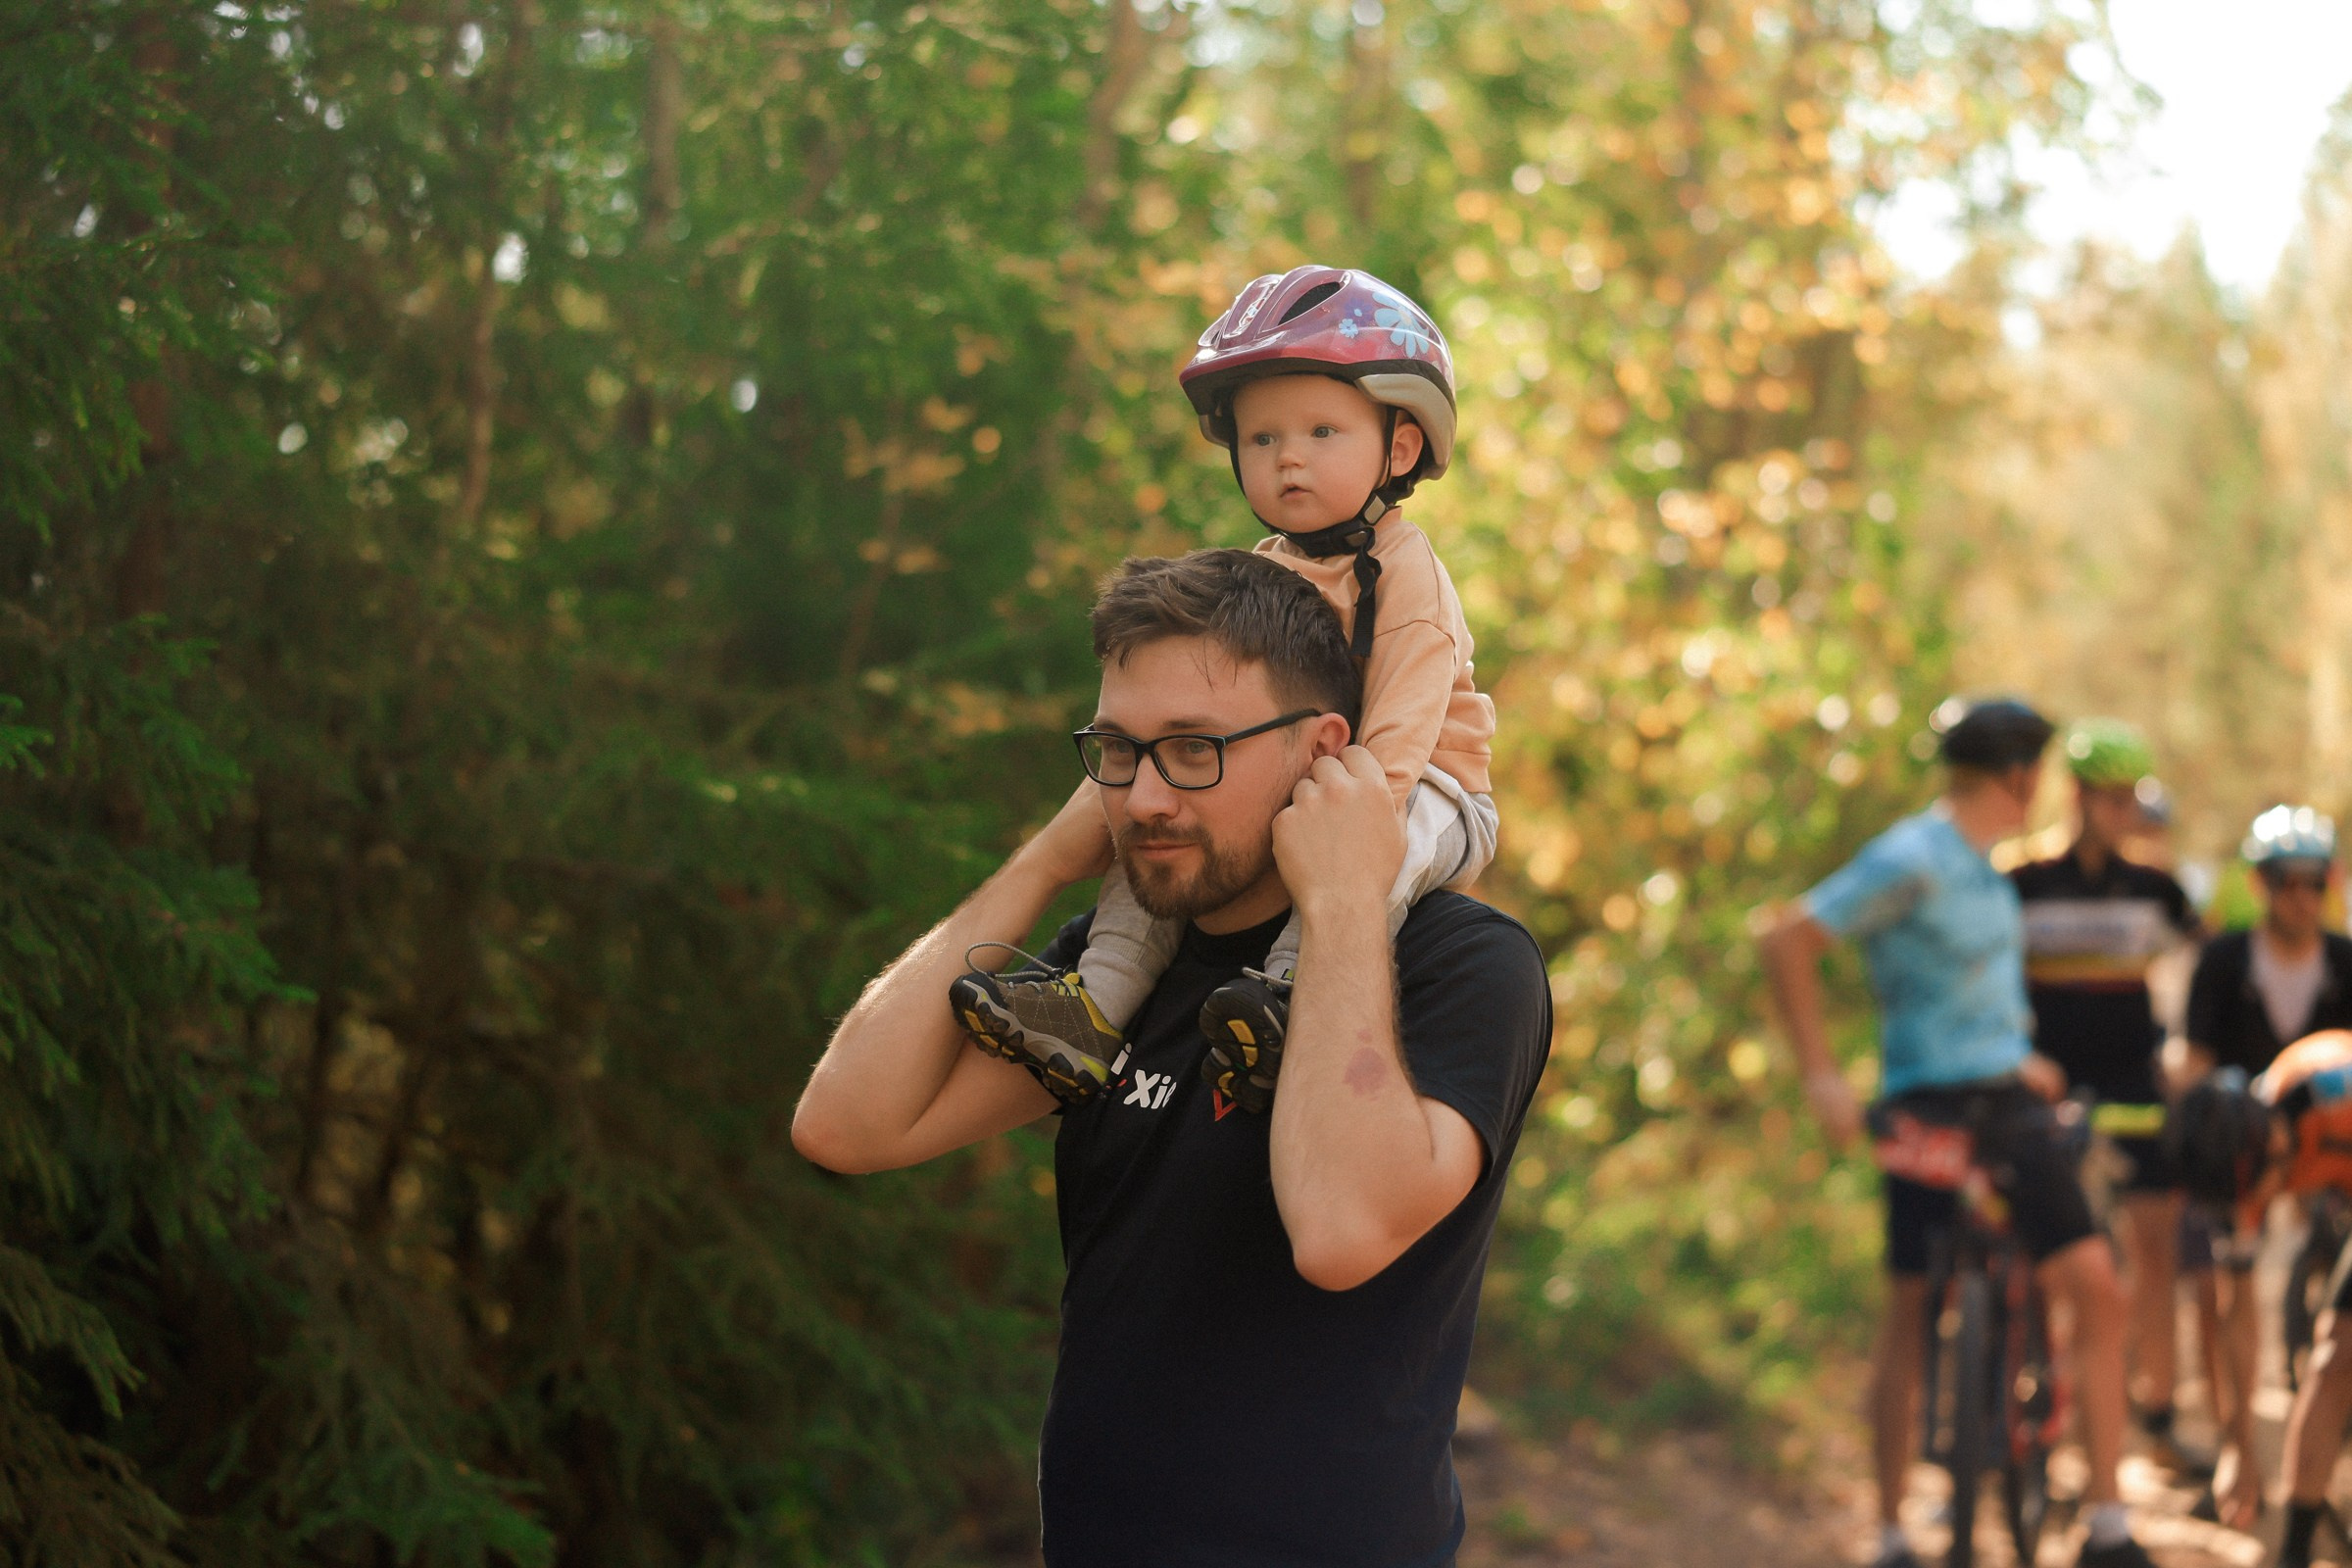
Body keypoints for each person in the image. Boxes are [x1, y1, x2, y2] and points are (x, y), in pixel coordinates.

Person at [792, 549, 1551, 1564]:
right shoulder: (1122, 973)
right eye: (1118, 748)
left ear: (1325, 751)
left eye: (1194, 749)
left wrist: (1340, 901)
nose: (1145, 797)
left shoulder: (1466, 966)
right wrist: (1048, 857)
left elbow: (1340, 1231)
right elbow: (846, 1125)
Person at [950, 266, 1498, 1114]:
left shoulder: (1408, 580)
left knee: (1389, 841)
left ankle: (1288, 991)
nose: (1289, 459)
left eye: (1322, 431)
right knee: (1170, 824)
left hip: (1428, 787)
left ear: (1399, 449)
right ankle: (1095, 1006)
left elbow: (1401, 728)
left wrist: (1354, 825)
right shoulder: (1258, 572)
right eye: (1262, 438)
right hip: (1316, 774)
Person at [1758, 697, 2156, 1568]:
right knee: (1920, 1305)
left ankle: (2099, 1520)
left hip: (2004, 1098)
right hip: (1935, 1109)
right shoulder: (1912, 857)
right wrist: (1822, 1074)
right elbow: (1788, 940)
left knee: (2083, 1288)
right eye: (2039, 772)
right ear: (2018, 774)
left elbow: (1971, 997)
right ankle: (1901, 1529)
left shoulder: (1984, 867)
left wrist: (2023, 1057)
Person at [2009, 719, 2202, 1460]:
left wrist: (2186, 1058)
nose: (2125, 812)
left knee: (2154, 1241)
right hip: (2046, 1081)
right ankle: (2040, 1409)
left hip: (2132, 1081)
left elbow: (2205, 966)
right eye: (2111, 797)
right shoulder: (2020, 880)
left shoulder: (2155, 887)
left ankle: (2160, 1408)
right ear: (2078, 796)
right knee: (2047, 1250)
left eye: (2133, 798)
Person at [2181, 807, 2352, 1528]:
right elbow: (2193, 1062)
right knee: (2231, 1281)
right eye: (2287, 881)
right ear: (2261, 884)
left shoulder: (2345, 960)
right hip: (2250, 1152)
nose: (2302, 896)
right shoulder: (2224, 962)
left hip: (2334, 1144)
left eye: (2316, 882)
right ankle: (2238, 1448)